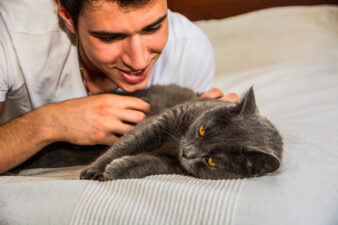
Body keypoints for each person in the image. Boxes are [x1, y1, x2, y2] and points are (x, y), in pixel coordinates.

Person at [0, 0, 238, 173]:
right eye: (109, 38)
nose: (138, 62)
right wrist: (50, 122)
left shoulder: (190, 49)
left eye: (153, 28)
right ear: (68, 19)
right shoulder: (9, 33)